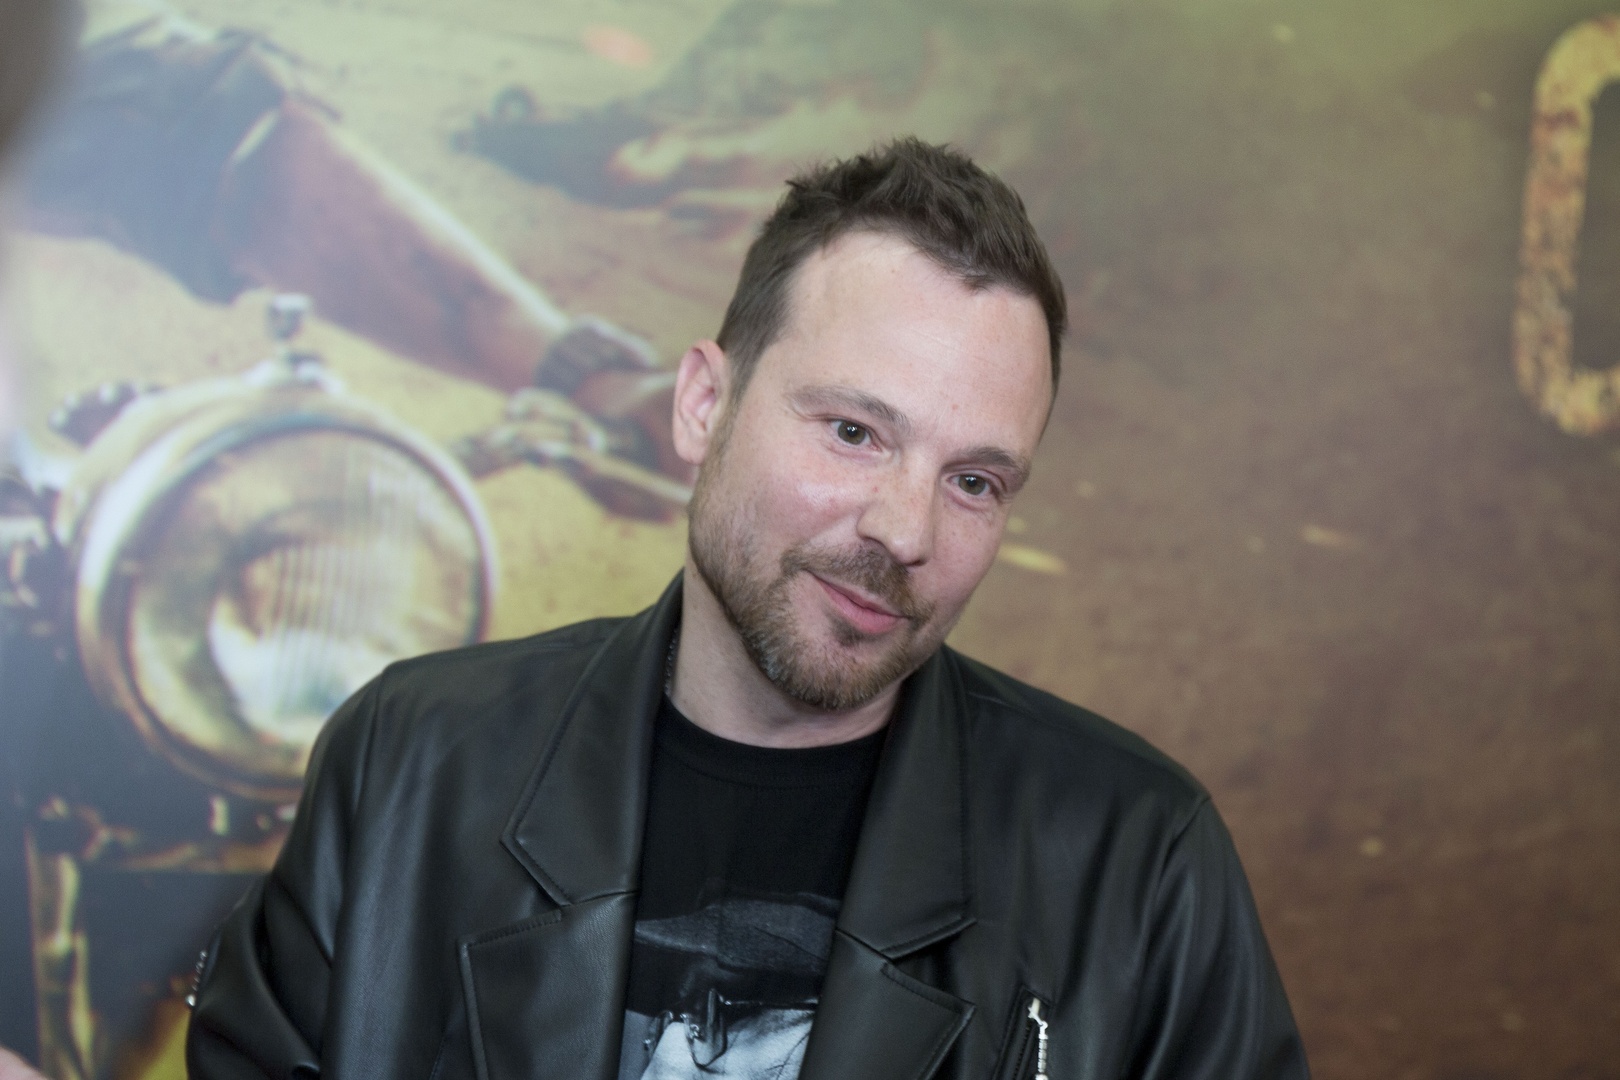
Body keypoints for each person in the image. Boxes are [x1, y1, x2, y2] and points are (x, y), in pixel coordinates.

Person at [187, 138, 1309, 1080]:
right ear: (702, 406)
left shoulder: (1138, 857)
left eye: (974, 481)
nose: (905, 532)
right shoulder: (409, 761)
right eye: (854, 432)